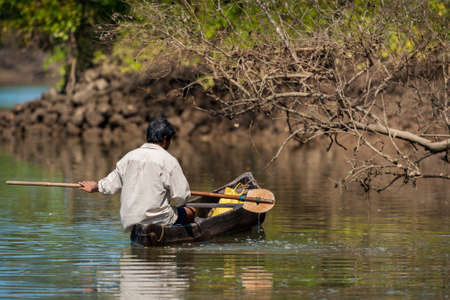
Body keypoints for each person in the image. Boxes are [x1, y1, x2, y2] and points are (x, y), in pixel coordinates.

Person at [78, 117, 196, 232]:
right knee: (191, 211)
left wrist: (96, 186)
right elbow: (182, 196)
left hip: (130, 220)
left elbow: (111, 183)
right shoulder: (168, 161)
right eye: (170, 140)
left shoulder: (129, 157)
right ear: (165, 139)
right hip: (159, 219)